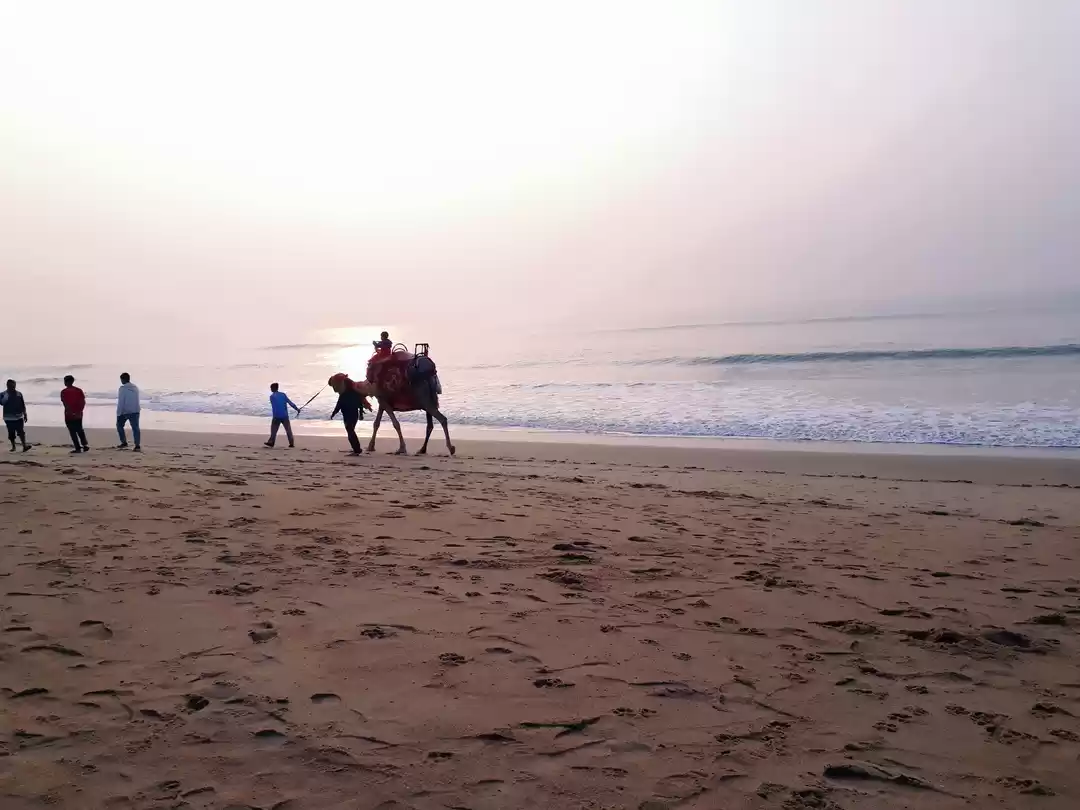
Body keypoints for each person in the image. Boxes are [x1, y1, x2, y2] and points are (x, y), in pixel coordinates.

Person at [330, 376, 367, 455]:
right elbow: (359, 404)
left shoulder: (343, 395)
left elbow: (338, 406)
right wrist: (361, 414)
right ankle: (356, 449)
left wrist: (333, 414)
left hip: (348, 416)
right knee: (351, 432)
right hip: (354, 415)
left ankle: (357, 450)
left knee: (350, 433)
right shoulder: (354, 393)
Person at [265, 382, 300, 448]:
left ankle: (271, 442)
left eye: (271, 388)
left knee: (274, 430)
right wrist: (297, 409)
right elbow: (290, 403)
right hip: (284, 416)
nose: (270, 389)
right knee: (288, 430)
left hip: (276, 416)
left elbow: (275, 406)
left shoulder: (272, 396)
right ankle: (291, 443)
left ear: (273, 388)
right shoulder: (283, 395)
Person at [61, 375, 89, 453]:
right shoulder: (79, 390)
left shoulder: (64, 392)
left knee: (72, 431)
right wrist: (79, 411)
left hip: (69, 415)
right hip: (79, 414)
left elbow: (65, 404)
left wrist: (70, 412)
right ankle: (85, 445)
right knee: (80, 429)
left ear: (66, 382)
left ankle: (77, 447)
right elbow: (83, 402)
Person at [1, 379, 30, 452]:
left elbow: (22, 404)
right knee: (11, 433)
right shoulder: (3, 394)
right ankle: (13, 447)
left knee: (21, 432)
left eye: (14, 386)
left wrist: (25, 414)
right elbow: (2, 403)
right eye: (11, 386)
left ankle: (24, 446)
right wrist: (7, 396)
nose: (12, 388)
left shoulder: (19, 394)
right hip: (8, 417)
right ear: (7, 386)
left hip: (19, 416)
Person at [116, 372, 141, 451]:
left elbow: (121, 402)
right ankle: (137, 445)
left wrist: (119, 412)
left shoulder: (122, 389)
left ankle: (124, 442)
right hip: (135, 410)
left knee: (119, 425)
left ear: (123, 379)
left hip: (125, 411)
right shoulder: (135, 387)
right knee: (135, 428)